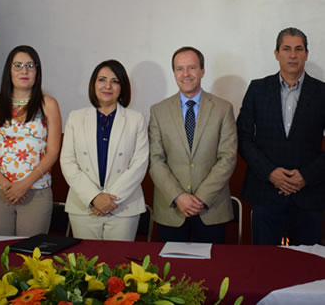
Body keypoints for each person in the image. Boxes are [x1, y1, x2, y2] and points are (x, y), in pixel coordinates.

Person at [238, 27, 325, 245]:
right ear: (276, 53)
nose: (293, 55)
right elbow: (243, 137)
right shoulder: (258, 89)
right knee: (265, 267)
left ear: (306, 53)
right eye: (286, 49)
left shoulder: (322, 92)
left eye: (298, 49)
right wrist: (270, 173)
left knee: (307, 267)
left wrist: (306, 175)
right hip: (266, 193)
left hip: (309, 194)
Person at [148, 46, 237, 243]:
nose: (186, 74)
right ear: (174, 73)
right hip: (171, 211)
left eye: (192, 68)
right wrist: (178, 196)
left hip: (211, 209)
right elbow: (155, 161)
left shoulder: (223, 109)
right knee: (170, 271)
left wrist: (201, 198)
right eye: (179, 69)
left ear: (202, 71)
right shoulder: (158, 111)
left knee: (214, 271)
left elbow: (228, 157)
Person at [0, 45, 61, 236]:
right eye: (18, 65)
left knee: (31, 256)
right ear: (9, 70)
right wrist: (6, 185)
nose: (24, 70)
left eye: (30, 66)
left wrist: (24, 185)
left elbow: (53, 152)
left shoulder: (48, 104)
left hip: (36, 192)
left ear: (37, 71)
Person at [60, 59, 149, 241]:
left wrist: (109, 200)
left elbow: (139, 163)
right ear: (94, 84)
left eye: (115, 81)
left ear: (122, 87)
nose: (108, 86)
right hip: (84, 206)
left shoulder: (136, 119)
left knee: (120, 265)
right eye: (102, 79)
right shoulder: (76, 118)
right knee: (84, 265)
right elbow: (68, 162)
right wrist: (94, 197)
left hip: (123, 207)